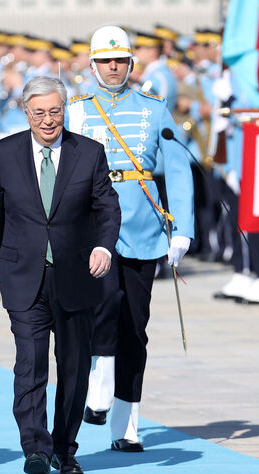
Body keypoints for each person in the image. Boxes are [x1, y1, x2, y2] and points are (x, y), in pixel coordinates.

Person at [0, 75, 120, 474]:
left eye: (54, 111)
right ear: (26, 113)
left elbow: (107, 208)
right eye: (39, 112)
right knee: (30, 364)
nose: (47, 120)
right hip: (23, 277)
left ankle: (64, 447)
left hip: (77, 277)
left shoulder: (89, 153)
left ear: (65, 111)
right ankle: (36, 449)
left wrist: (103, 246)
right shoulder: (3, 152)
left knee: (74, 369)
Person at [68, 25, 194, 452]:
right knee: (103, 306)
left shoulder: (154, 108)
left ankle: (126, 423)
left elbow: (176, 168)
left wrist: (184, 229)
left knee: (135, 326)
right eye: (105, 61)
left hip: (142, 223)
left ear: (131, 63)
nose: (114, 67)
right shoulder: (76, 110)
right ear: (92, 65)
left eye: (120, 60)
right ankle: (99, 383)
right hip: (93, 226)